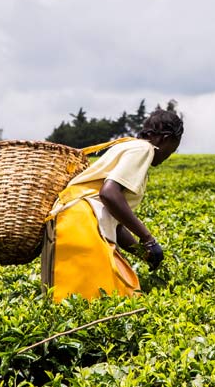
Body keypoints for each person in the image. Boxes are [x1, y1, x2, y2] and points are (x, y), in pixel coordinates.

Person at [41, 104, 184, 302]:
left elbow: (112, 220)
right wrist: (148, 239)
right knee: (111, 297)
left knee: (68, 300)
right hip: (81, 223)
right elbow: (108, 194)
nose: (169, 155)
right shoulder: (143, 149)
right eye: (172, 149)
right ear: (165, 139)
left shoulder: (128, 146)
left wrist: (142, 253)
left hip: (69, 221)